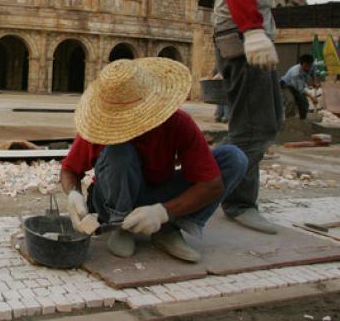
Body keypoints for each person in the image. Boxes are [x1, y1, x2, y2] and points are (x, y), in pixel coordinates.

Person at [212, 0, 335, 234]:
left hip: (247, 32)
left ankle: (217, 188)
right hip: (241, 34)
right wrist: (251, 30)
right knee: (252, 127)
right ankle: (231, 200)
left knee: (268, 120)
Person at [61, 58, 247, 262]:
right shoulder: (102, 127)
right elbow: (69, 169)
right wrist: (73, 194)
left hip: (159, 194)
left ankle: (170, 227)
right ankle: (121, 226)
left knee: (233, 159)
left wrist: (163, 212)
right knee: (119, 151)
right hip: (113, 198)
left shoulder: (177, 123)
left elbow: (212, 184)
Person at [280, 54, 320, 119]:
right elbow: (300, 89)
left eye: (309, 66)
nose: (307, 68)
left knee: (305, 103)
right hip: (287, 85)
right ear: (301, 64)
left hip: (299, 85)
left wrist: (315, 81)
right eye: (305, 66)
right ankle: (289, 121)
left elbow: (314, 72)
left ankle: (303, 120)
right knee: (291, 101)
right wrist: (312, 97)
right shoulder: (295, 73)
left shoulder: (311, 66)